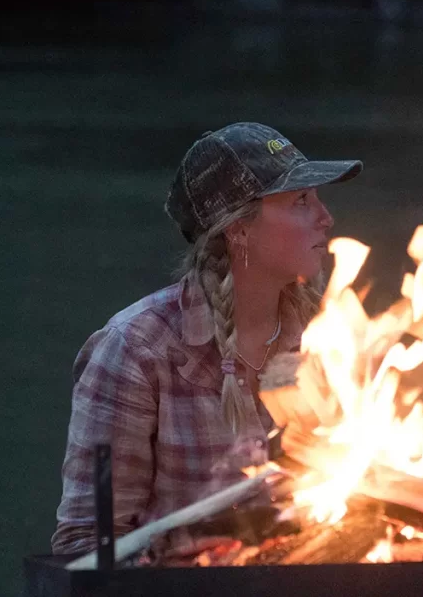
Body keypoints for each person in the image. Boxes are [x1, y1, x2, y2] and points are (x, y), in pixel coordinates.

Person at [51, 122, 362, 554]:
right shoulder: (136, 350)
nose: (325, 218)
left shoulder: (331, 339)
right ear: (238, 231)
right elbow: (86, 544)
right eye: (301, 200)